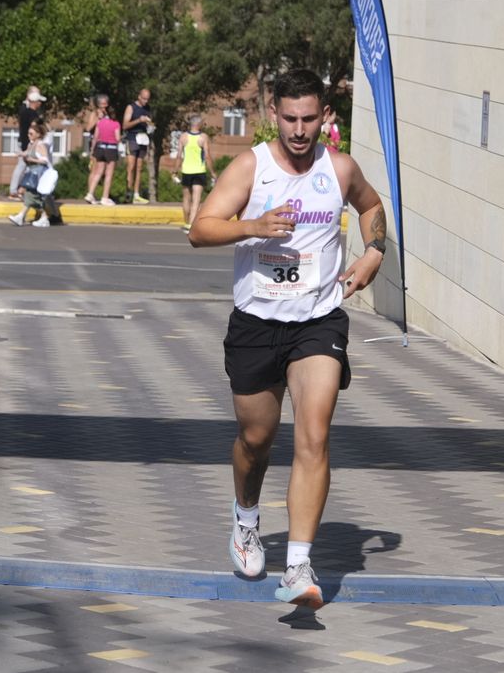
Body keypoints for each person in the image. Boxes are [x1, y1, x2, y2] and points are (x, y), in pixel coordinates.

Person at [188, 70, 387, 610]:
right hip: (256, 324)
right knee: (256, 439)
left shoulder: (339, 168)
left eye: (310, 119)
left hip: (318, 322)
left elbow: (371, 207)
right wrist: (252, 226)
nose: (300, 131)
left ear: (325, 116)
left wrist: (373, 252)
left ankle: (298, 565)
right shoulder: (251, 167)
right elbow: (201, 229)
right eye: (290, 118)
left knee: (314, 435)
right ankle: (245, 519)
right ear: (273, 114)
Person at [8, 121, 53, 228]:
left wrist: (32, 159)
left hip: (39, 173)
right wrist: (20, 154)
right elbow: (26, 153)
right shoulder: (31, 144)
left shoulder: (40, 145)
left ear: (38, 134)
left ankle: (21, 216)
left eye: (31, 133)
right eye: (28, 133)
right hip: (32, 172)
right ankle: (43, 218)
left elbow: (45, 160)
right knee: (31, 195)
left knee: (30, 194)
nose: (29, 135)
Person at [7, 87, 46, 198]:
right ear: (35, 102)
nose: (40, 103)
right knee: (22, 166)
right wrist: (29, 146)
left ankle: (20, 189)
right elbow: (34, 130)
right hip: (27, 144)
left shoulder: (24, 112)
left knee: (25, 168)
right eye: (39, 101)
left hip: (24, 142)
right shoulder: (32, 115)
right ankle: (14, 191)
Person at [83, 93, 121, 206]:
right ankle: (91, 194)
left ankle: (99, 194)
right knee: (95, 170)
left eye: (106, 104)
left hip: (106, 142)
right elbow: (88, 128)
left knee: (102, 171)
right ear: (98, 104)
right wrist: (98, 119)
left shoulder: (109, 114)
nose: (105, 106)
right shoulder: (95, 113)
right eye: (103, 104)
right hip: (97, 142)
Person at [178, 115, 211, 233]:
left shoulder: (183, 137)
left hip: (186, 170)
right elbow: (207, 156)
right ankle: (191, 225)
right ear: (198, 124)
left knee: (186, 198)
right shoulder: (203, 137)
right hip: (199, 171)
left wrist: (175, 170)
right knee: (196, 199)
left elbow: (179, 155)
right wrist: (213, 172)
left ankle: (187, 222)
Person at [122, 88, 153, 204]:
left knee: (139, 167)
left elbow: (149, 122)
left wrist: (150, 125)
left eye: (147, 99)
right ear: (139, 96)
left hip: (143, 138)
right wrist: (139, 120)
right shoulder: (131, 107)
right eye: (144, 99)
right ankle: (128, 193)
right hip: (132, 138)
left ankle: (136, 194)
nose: (146, 101)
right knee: (131, 167)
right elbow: (125, 125)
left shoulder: (147, 108)